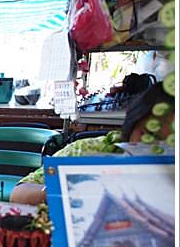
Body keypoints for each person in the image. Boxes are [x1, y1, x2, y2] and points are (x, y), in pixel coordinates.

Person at [10, 82, 175, 205]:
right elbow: (18, 194)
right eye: (149, 135)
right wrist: (64, 192)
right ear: (133, 123)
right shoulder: (89, 151)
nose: (158, 149)